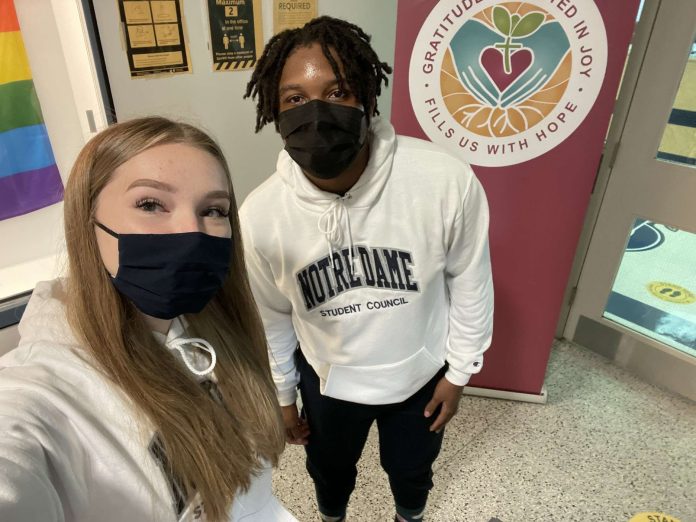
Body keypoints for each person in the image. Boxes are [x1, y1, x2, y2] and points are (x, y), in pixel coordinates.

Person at [241, 16, 494, 522]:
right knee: (330, 473)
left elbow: (470, 279)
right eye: (294, 99)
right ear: (274, 111)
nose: (316, 112)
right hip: (328, 382)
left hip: (421, 376)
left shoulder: (444, 180)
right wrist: (283, 393)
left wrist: (461, 371)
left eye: (337, 92)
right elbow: (271, 316)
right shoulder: (260, 214)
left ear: (368, 100)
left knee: (412, 472)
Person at [0, 117, 297, 522]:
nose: (191, 232)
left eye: (213, 210)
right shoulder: (42, 392)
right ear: (89, 221)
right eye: (151, 204)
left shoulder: (214, 327)